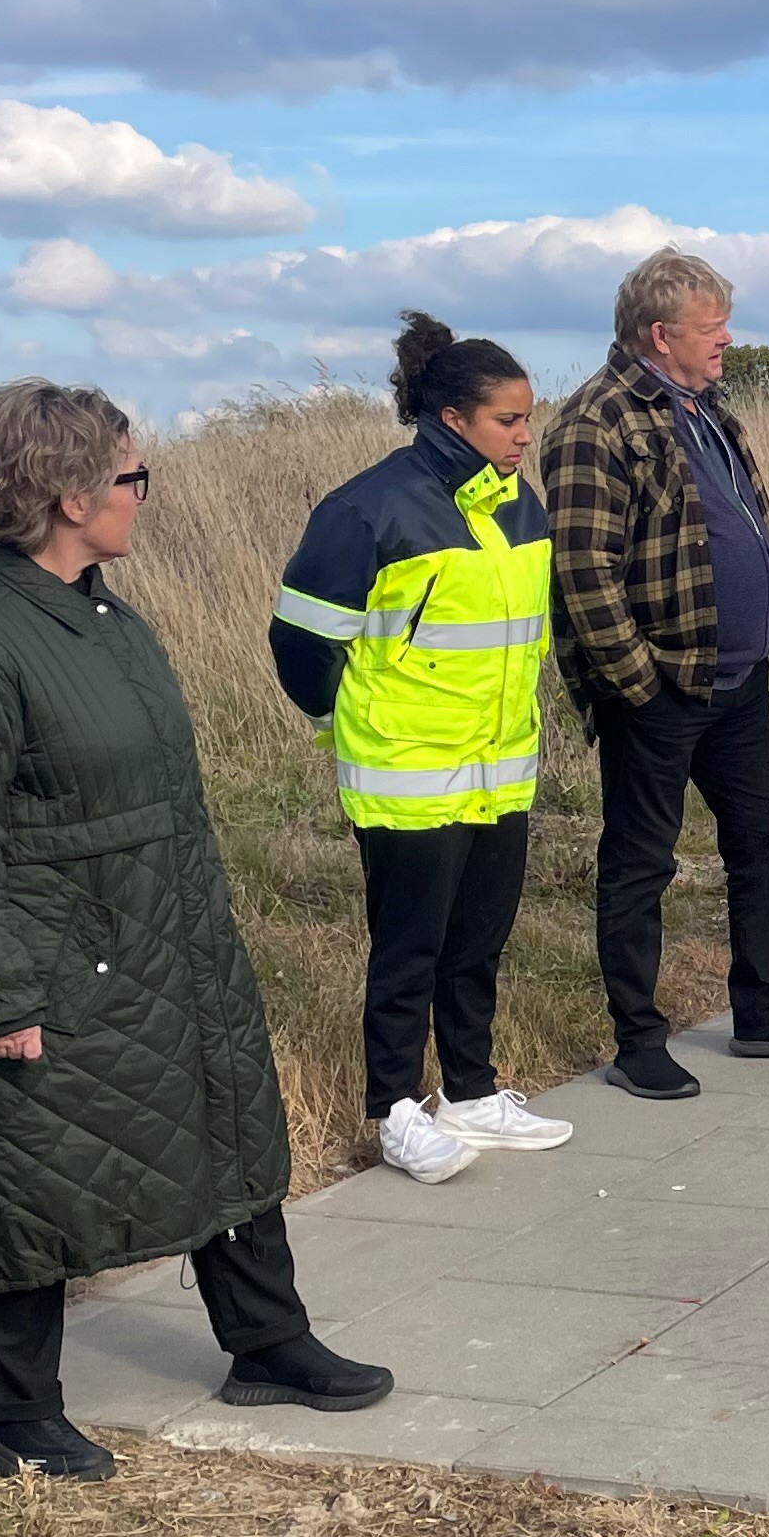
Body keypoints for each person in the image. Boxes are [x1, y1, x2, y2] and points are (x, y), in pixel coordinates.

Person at [0, 383, 394, 1485]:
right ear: (70, 495)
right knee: (17, 1162)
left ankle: (267, 1342)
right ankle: (11, 1412)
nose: (142, 496)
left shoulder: (101, 613)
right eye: (130, 477)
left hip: (160, 933)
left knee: (225, 1116)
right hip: (50, 955)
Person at [269, 311, 577, 1187]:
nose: (524, 437)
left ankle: (471, 1093)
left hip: (499, 769)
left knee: (478, 940)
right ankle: (394, 1109)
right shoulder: (368, 509)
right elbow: (301, 644)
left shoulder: (519, 504)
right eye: (507, 421)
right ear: (452, 420)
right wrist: (365, 716)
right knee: (408, 951)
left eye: (528, 419)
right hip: (406, 777)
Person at [545, 248, 769, 1100]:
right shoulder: (595, 423)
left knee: (766, 841)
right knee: (642, 863)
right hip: (663, 689)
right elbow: (583, 573)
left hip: (737, 681)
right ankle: (638, 1039)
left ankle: (761, 1011)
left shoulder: (705, 406)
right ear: (659, 333)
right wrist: (639, 682)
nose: (727, 342)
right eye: (712, 330)